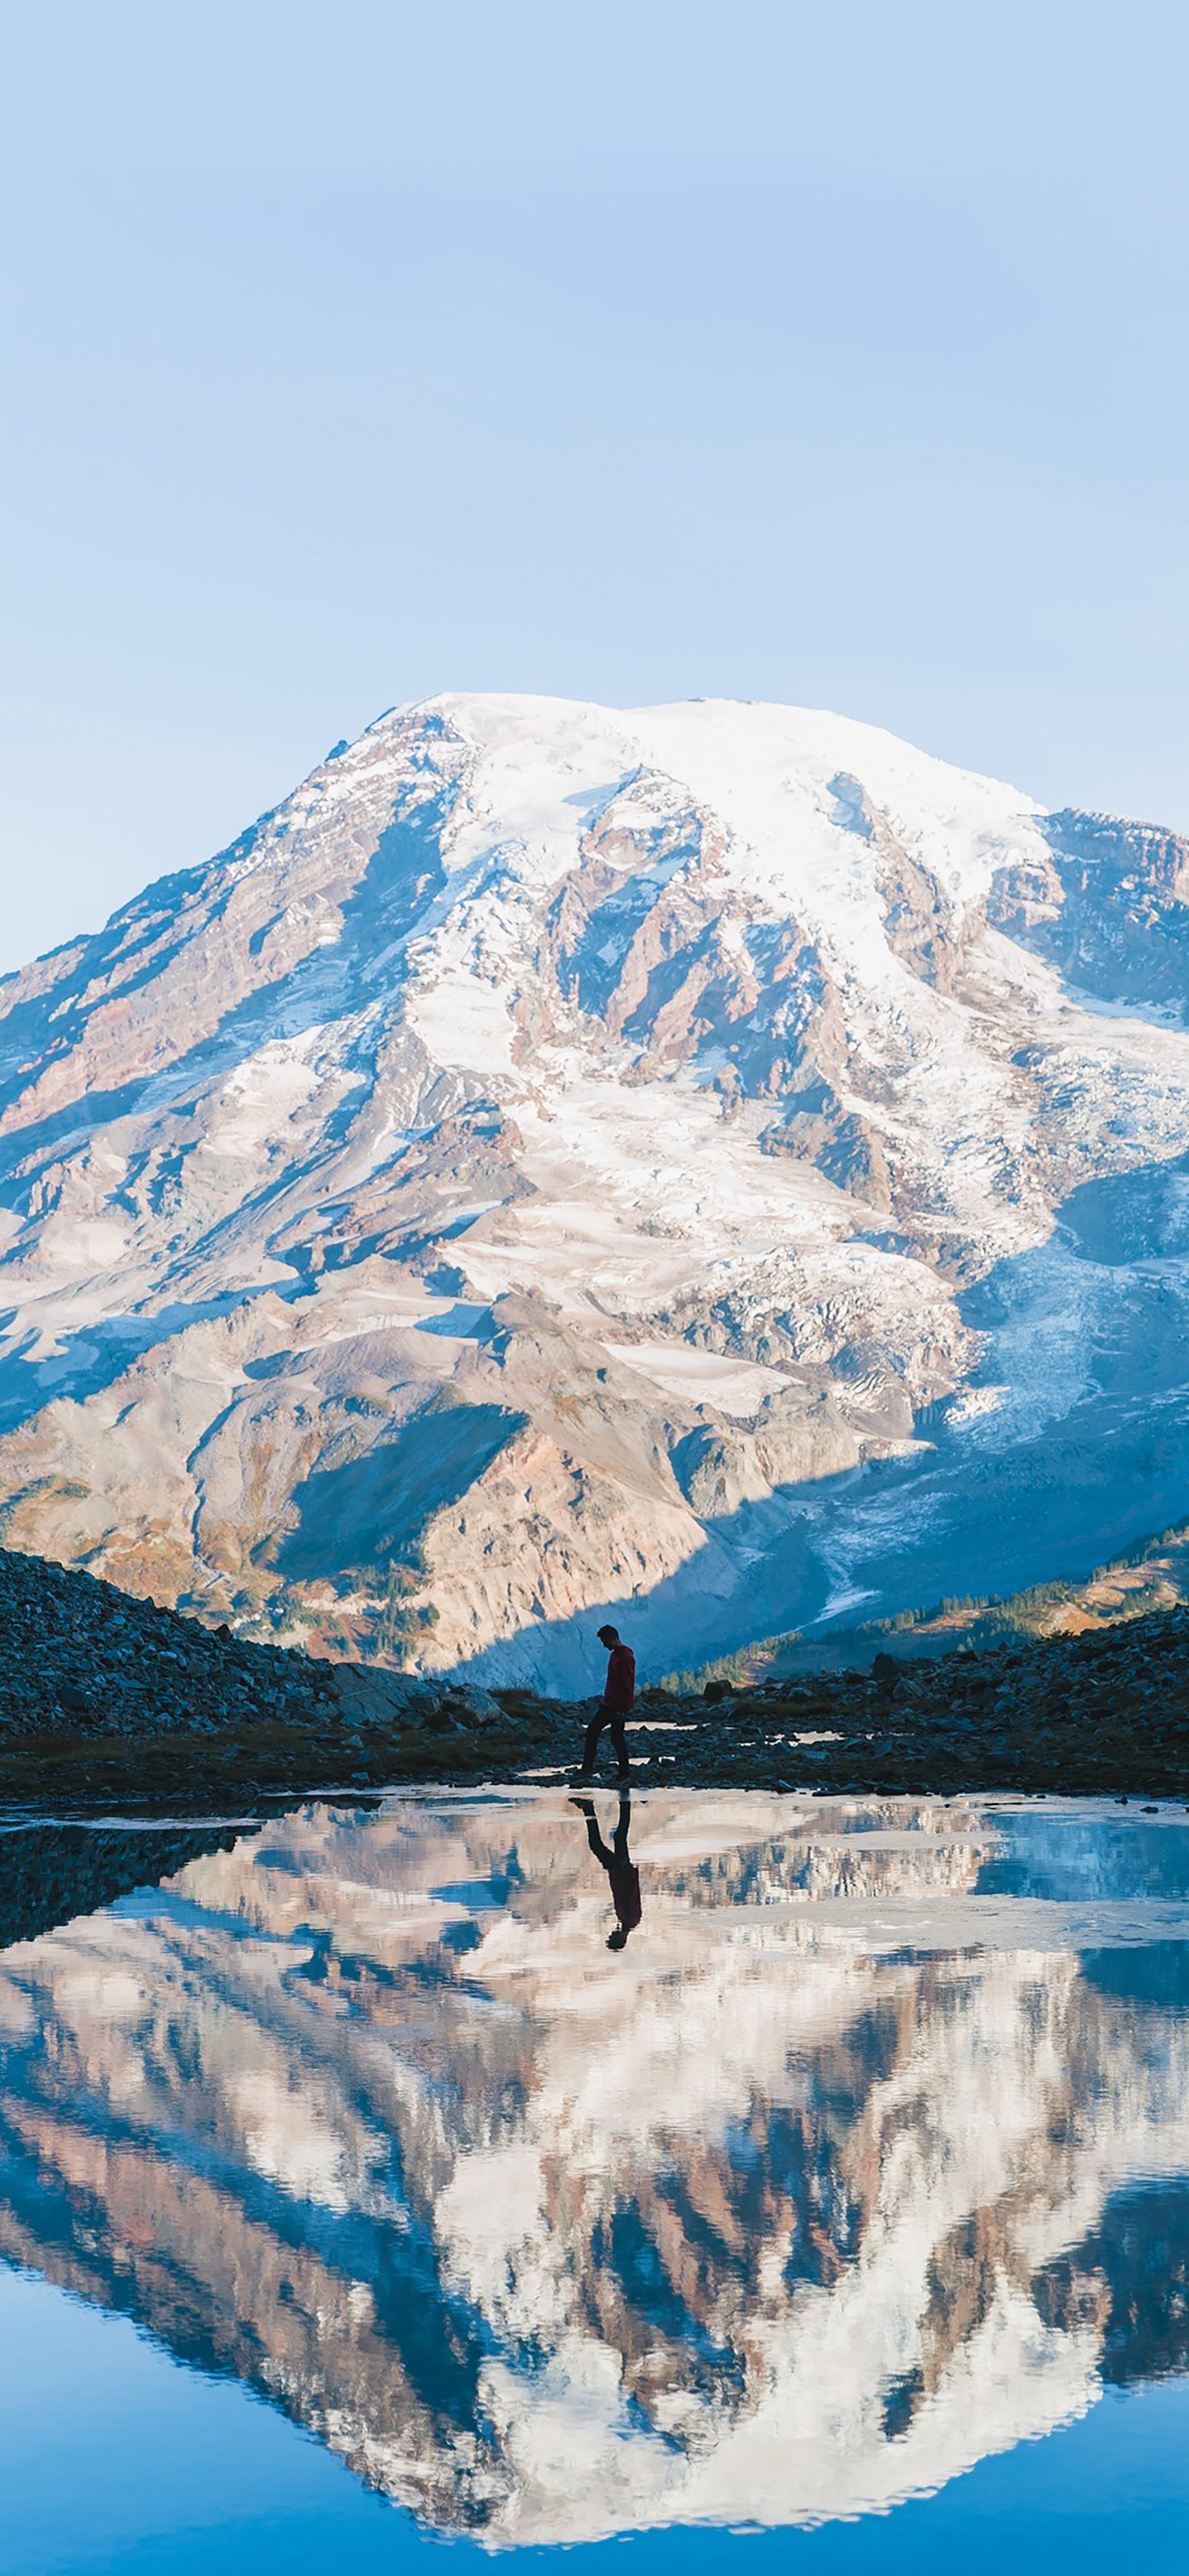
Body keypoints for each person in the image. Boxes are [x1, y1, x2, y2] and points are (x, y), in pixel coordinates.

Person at [572, 1789, 642, 1950]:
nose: (611, 1933)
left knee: (600, 1843)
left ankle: (589, 1808)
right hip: (622, 1870)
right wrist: (626, 1869)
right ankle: (624, 1803)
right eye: (612, 1936)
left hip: (617, 1871)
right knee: (617, 1837)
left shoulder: (625, 1921)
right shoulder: (631, 1920)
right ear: (620, 1938)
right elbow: (632, 1894)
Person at [571, 1623, 635, 1784]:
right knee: (597, 1732)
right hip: (609, 1703)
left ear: (613, 1639)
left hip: (617, 1706)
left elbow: (628, 1685)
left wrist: (622, 1710)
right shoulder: (615, 1655)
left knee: (614, 1738)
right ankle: (591, 1769)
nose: (604, 1645)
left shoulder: (625, 1657)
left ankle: (623, 1773)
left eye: (605, 1642)